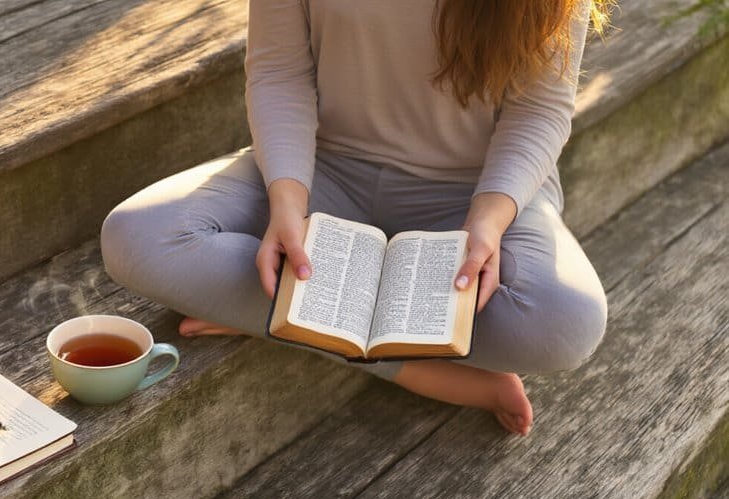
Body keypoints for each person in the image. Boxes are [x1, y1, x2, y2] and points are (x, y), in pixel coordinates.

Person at [100, 0, 612, 436]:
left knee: (566, 323)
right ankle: (410, 367)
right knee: (137, 237)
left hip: (472, 196)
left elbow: (540, 109)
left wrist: (488, 223)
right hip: (323, 172)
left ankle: (275, 314)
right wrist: (286, 202)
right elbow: (280, 74)